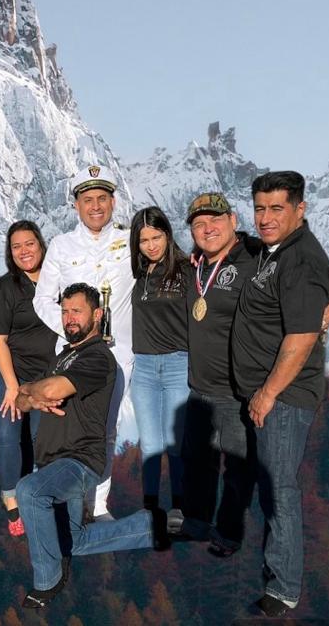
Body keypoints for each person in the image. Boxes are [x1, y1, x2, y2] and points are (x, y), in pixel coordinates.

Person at [14, 283, 168, 610]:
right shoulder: (63, 356)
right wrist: (32, 393)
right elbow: (20, 402)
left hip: (78, 461)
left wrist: (33, 388)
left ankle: (47, 581)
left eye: (77, 311)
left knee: (28, 491)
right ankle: (151, 528)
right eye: (65, 311)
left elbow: (50, 388)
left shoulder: (97, 357)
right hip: (52, 463)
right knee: (73, 541)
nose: (69, 318)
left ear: (96, 315)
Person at [231, 172, 329, 617]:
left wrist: (268, 393)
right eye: (260, 208)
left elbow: (302, 336)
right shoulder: (273, 252)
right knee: (267, 488)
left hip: (284, 399)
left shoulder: (302, 261)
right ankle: (277, 580)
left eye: (277, 208)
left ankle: (283, 591)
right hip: (263, 394)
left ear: (300, 209)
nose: (266, 218)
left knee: (280, 489)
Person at [33, 165, 134, 519]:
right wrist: (74, 332)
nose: (95, 206)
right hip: (76, 355)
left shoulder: (129, 240)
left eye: (102, 199)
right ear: (76, 205)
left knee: (109, 427)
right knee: (69, 427)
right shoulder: (61, 246)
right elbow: (42, 300)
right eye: (88, 200)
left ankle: (100, 503)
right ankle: (69, 505)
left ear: (113, 202)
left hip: (120, 352)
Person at [182, 192, 263, 557]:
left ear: (233, 219)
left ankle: (229, 532)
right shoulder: (195, 266)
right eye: (199, 224)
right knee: (197, 461)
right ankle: (197, 522)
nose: (207, 228)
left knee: (239, 468)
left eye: (215, 220)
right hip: (200, 386)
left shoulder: (257, 258)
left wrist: (321, 306)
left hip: (238, 390)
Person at [0, 220, 58, 536]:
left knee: (41, 438)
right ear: (9, 252)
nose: (24, 251)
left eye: (29, 243)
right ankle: (12, 502)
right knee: (7, 435)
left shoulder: (57, 280)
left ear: (41, 244)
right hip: (10, 368)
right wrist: (12, 386)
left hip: (47, 371)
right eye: (16, 246)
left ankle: (39, 498)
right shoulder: (4, 289)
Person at [128, 207, 194, 533]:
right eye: (144, 240)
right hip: (142, 369)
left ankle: (179, 507)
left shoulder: (186, 270)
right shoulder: (137, 274)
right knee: (150, 445)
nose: (151, 245)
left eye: (157, 237)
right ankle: (151, 509)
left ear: (167, 235)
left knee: (174, 442)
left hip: (176, 364)